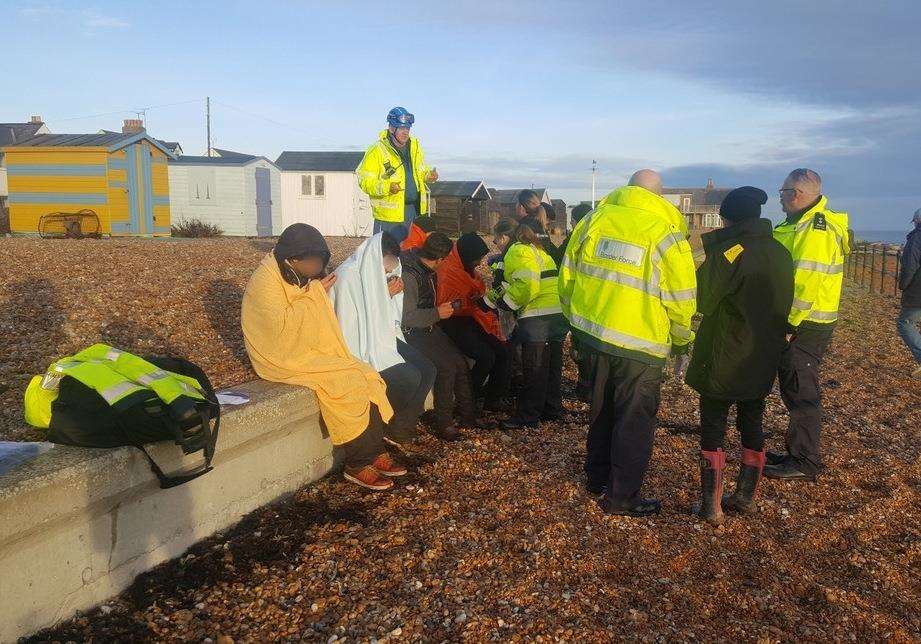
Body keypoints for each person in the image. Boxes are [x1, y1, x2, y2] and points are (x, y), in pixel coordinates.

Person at [559, 169, 697, 517]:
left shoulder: (595, 219)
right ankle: (621, 496)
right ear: (658, 196)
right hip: (641, 344)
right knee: (634, 422)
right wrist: (681, 340)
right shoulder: (666, 233)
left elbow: (568, 275)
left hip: (593, 334)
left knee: (602, 409)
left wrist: (574, 321)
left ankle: (596, 477)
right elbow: (681, 298)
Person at [241, 224, 406, 491]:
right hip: (280, 356)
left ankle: (375, 451)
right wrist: (317, 294)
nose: (317, 268)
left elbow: (305, 310)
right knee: (347, 384)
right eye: (313, 262)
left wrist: (314, 292)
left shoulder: (295, 272)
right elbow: (280, 330)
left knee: (365, 373)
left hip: (305, 347)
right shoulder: (265, 283)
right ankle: (357, 463)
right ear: (294, 259)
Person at [685, 187, 794, 525]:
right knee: (753, 421)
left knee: (713, 426)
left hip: (725, 353)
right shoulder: (779, 251)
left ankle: (711, 506)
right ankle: (745, 496)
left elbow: (703, 299)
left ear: (728, 218)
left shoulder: (731, 252)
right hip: (763, 353)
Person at [765, 169, 850, 482]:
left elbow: (805, 283)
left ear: (797, 193)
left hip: (806, 324)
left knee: (801, 390)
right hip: (805, 322)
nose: (780, 197)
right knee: (793, 385)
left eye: (783, 191)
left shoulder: (815, 230)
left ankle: (804, 460)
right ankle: (796, 450)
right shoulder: (799, 224)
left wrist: (789, 323)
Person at [330, 232, 436, 448]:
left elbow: (386, 317)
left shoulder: (375, 274)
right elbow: (353, 322)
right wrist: (385, 295)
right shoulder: (348, 276)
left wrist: (389, 296)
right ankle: (382, 423)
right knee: (409, 377)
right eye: (385, 267)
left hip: (380, 335)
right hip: (359, 343)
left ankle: (400, 427)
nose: (387, 272)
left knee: (428, 369)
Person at [402, 232, 488, 439]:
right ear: (440, 259)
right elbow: (407, 317)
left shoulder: (427, 270)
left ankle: (468, 416)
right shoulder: (411, 275)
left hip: (431, 327)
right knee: (447, 368)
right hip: (414, 333)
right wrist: (437, 313)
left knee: (461, 364)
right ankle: (444, 423)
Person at [493, 224, 568, 429]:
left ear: (506, 237)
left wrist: (505, 303)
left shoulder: (517, 251)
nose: (494, 243)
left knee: (534, 369)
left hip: (537, 317)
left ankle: (528, 415)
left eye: (496, 238)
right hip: (557, 313)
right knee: (551, 365)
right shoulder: (540, 251)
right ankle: (551, 408)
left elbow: (527, 285)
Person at [437, 233, 511, 412]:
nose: (479, 263)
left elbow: (477, 293)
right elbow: (445, 304)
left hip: (471, 318)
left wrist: (476, 301)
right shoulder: (447, 271)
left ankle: (493, 398)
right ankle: (468, 401)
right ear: (466, 255)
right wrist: (471, 301)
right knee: (486, 356)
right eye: (477, 258)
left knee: (504, 352)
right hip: (451, 322)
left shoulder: (467, 270)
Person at [358, 107, 438, 245]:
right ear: (391, 128)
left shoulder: (415, 147)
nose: (405, 132)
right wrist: (387, 187)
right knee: (386, 255)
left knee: (410, 253)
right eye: (401, 128)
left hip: (414, 212)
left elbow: (421, 170)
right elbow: (364, 181)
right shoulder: (377, 150)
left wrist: (428, 175)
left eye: (407, 128)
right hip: (390, 217)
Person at [563, 202, 597, 402]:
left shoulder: (575, 240)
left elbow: (566, 273)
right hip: (598, 306)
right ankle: (590, 388)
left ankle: (586, 388)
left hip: (581, 305)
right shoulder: (599, 238)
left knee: (582, 352)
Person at [897, 209, 921, 378]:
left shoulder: (916, 238)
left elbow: (910, 266)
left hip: (918, 291)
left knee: (905, 323)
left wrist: (903, 285)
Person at [515, 189, 560, 261]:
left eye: (516, 204)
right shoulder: (540, 227)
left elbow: (517, 254)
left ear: (521, 207)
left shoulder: (523, 227)